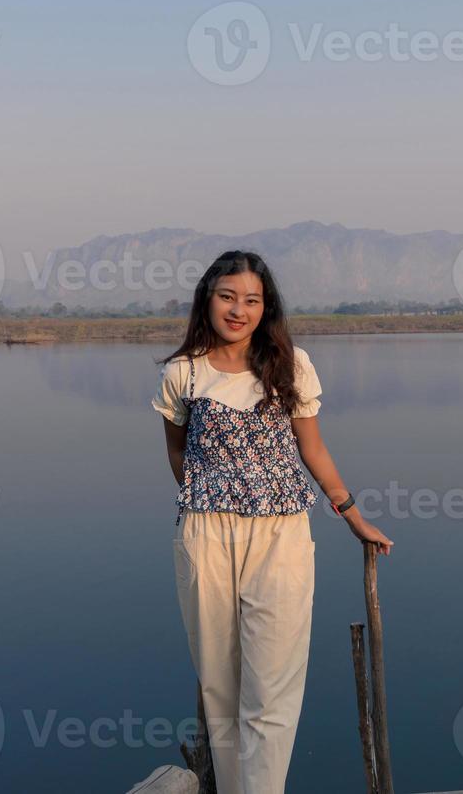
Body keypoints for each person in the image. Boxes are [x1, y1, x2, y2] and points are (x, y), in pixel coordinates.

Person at [152, 249, 392, 794]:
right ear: (207, 299)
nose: (239, 310)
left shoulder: (290, 364)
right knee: (220, 687)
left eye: (252, 300)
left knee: (272, 688)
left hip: (281, 534)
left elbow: (314, 450)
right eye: (228, 297)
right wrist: (212, 502)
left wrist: (352, 515)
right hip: (206, 536)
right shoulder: (183, 373)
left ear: (266, 307)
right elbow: (178, 457)